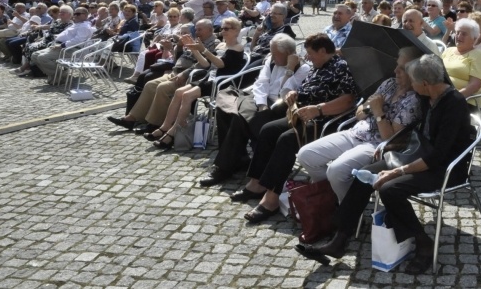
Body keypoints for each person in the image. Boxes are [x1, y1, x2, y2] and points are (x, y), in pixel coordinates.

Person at [294, 54, 474, 274]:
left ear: (425, 84)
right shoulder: (430, 97)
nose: (411, 86)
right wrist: (390, 147)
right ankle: (339, 240)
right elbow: (415, 133)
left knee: (390, 188)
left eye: (414, 82)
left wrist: (398, 170)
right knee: (363, 175)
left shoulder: (453, 104)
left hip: (446, 167)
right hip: (419, 155)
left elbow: (438, 155)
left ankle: (423, 243)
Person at [231, 34, 358, 224]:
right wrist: (294, 94)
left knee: (286, 140)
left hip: (323, 121)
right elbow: (309, 89)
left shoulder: (342, 68)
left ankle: (272, 198)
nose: (308, 58)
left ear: (323, 51)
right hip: (301, 114)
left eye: (311, 53)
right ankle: (257, 182)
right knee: (268, 130)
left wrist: (318, 109)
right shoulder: (319, 67)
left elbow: (349, 101)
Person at [297, 47, 423, 201]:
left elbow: (390, 138)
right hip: (355, 132)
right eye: (397, 65)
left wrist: (378, 113)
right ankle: (333, 196)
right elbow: (359, 113)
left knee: (336, 170)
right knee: (306, 155)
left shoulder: (414, 100)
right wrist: (369, 109)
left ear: (414, 72)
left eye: (402, 69)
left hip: (375, 145)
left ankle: (348, 212)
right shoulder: (389, 84)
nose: (395, 70)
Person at [198, 33, 310, 186]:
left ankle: (225, 167)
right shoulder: (271, 61)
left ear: (289, 54)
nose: (272, 57)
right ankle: (238, 159)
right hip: (260, 100)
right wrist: (262, 104)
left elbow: (284, 92)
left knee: (238, 118)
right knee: (224, 109)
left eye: (276, 54)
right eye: (272, 52)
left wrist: (289, 69)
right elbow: (261, 84)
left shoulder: (302, 68)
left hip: (280, 105)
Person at [147, 17, 247, 149]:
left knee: (187, 96)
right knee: (178, 92)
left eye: (226, 28)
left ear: (236, 31)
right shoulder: (221, 45)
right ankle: (165, 127)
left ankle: (173, 132)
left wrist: (203, 50)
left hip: (222, 82)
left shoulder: (238, 47)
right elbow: (206, 64)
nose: (223, 31)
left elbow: (221, 64)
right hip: (210, 77)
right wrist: (194, 49)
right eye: (222, 28)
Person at [440, 19, 481, 108]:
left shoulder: (479, 55)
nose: (459, 36)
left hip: (465, 101)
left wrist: (452, 98)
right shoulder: (448, 51)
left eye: (464, 34)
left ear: (474, 39)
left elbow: (473, 86)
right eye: (457, 32)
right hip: (440, 96)